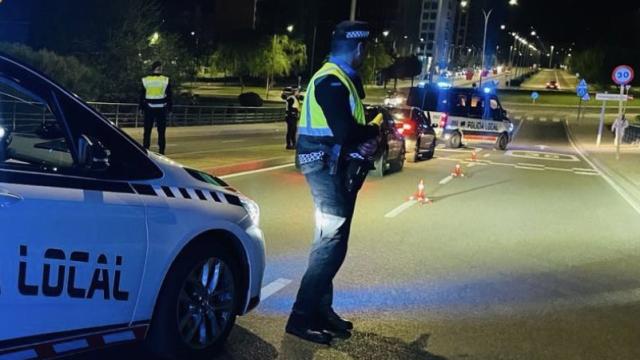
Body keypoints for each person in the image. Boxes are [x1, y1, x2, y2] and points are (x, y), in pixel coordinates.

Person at [286, 21, 382, 345]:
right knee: (331, 245)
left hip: (336, 169)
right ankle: (300, 317)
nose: (365, 55)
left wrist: (366, 135)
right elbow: (345, 131)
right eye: (365, 50)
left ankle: (320, 310)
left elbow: (350, 129)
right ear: (359, 49)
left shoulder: (342, 81)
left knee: (331, 241)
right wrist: (371, 132)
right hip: (324, 168)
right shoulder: (331, 80)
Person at [139, 61, 172, 155]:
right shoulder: (165, 80)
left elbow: (142, 96)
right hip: (161, 108)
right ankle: (162, 152)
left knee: (147, 131)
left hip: (149, 108)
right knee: (161, 132)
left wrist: (140, 108)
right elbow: (169, 96)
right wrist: (170, 109)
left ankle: (145, 150)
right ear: (160, 68)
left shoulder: (146, 80)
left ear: (152, 68)